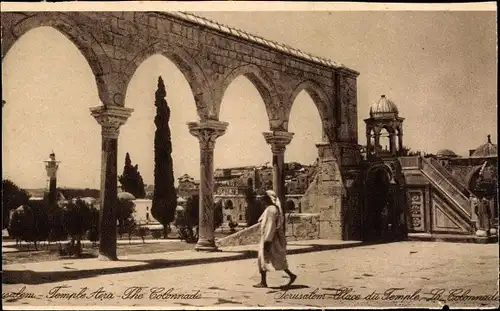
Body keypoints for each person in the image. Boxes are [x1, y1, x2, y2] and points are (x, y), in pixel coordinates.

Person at [253, 190, 297, 288]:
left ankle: (290, 275)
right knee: (266, 259)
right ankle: (264, 281)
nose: (263, 201)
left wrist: (267, 241)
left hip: (270, 238)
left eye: (264, 199)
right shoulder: (272, 208)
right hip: (270, 237)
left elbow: (271, 225)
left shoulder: (271, 209)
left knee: (272, 259)